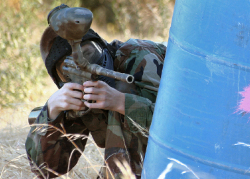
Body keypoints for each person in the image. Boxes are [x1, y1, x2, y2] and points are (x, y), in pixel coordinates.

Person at [25, 5, 166, 179]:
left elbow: (178, 124)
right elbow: (45, 169)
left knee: (122, 89)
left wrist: (121, 102)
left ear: (104, 48)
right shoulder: (76, 94)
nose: (82, 69)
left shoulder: (139, 58)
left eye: (89, 53)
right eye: (68, 69)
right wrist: (52, 112)